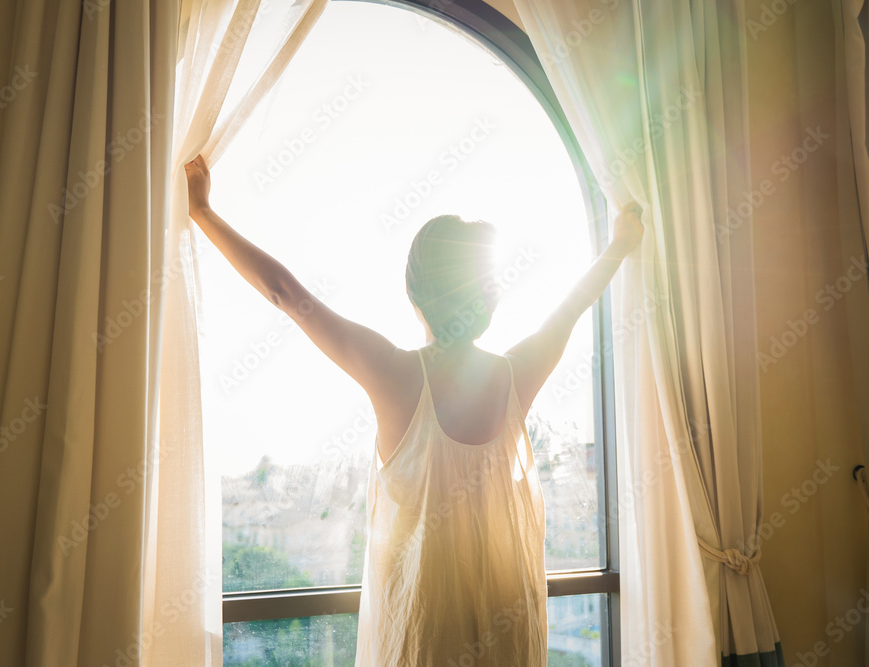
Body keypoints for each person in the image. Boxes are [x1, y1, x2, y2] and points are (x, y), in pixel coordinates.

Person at [184, 153, 644, 665]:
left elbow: (287, 295)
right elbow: (574, 303)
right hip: (507, 624)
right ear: (490, 301)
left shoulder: (394, 373)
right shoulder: (518, 374)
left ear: (412, 294)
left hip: (421, 634)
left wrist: (203, 211)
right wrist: (620, 245)